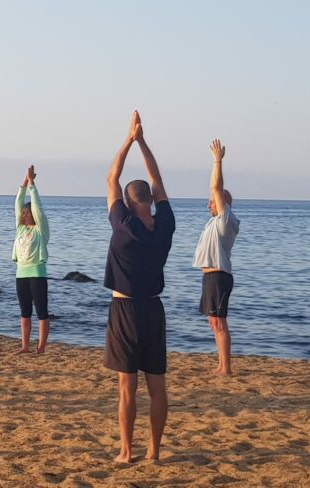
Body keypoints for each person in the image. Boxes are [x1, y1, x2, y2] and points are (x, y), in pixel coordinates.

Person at [104, 111, 176, 463]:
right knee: (157, 385)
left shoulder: (124, 226)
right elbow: (156, 179)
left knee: (127, 387)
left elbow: (111, 178)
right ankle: (154, 451)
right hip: (153, 309)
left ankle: (126, 451)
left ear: (129, 203)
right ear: (149, 201)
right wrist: (143, 141)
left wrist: (129, 140)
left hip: (125, 309)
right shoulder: (165, 225)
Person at [192, 139, 240, 376]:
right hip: (211, 276)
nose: (208, 204)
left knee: (219, 322)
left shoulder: (226, 221)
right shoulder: (215, 222)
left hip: (219, 276)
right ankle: (221, 365)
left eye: (212, 201)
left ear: (223, 203)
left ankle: (226, 368)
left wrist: (217, 161)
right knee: (213, 322)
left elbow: (216, 187)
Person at [13, 165, 51, 354]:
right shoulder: (20, 229)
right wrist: (24, 181)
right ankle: (25, 346)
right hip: (21, 273)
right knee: (25, 312)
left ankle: (41, 347)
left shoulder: (40, 230)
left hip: (37, 272)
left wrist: (32, 185)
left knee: (41, 311)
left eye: (28, 213)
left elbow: (38, 208)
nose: (25, 214)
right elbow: (17, 203)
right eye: (24, 213)